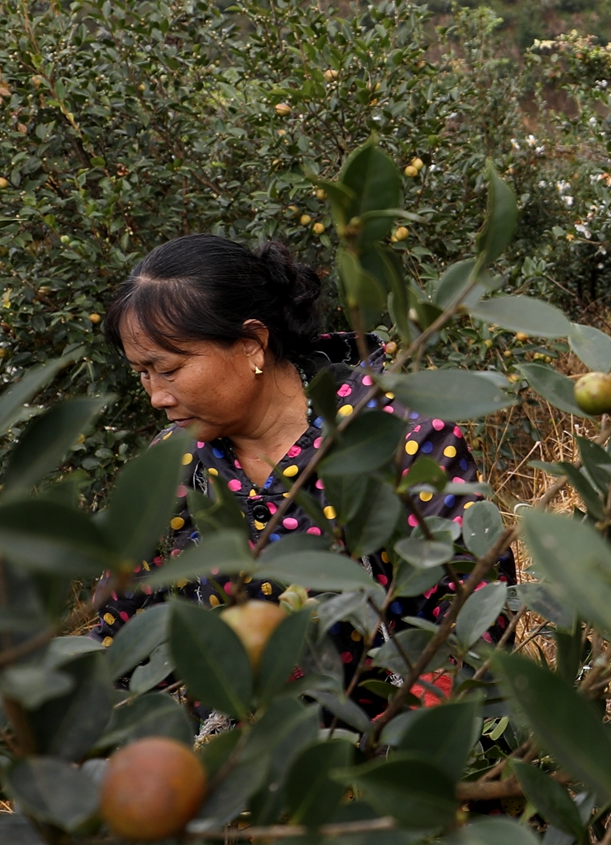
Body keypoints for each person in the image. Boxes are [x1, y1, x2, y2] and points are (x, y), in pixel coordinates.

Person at [90, 235, 485, 698]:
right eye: (143, 373)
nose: (157, 395)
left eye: (170, 370)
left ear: (253, 343)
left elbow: (472, 615)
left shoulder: (395, 436)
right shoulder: (171, 466)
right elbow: (122, 631)